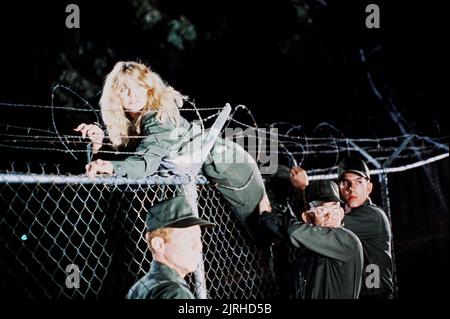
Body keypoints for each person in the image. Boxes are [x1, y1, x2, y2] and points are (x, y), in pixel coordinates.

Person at [75, 61, 266, 233]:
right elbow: (126, 155)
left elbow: (144, 162)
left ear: (148, 88)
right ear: (115, 96)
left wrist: (110, 166)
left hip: (228, 165)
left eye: (138, 86)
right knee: (262, 233)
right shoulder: (135, 124)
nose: (133, 95)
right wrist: (98, 143)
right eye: (125, 89)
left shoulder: (157, 118)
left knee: (262, 231)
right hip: (222, 165)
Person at [259, 180, 363, 299]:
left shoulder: (347, 241)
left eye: (334, 209)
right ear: (307, 217)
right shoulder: (310, 249)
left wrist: (265, 215)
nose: (329, 216)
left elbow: (293, 232)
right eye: (321, 210)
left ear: (341, 213)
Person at [126, 195, 214, 299]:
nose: (198, 246)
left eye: (198, 237)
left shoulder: (140, 287)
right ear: (159, 245)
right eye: (187, 238)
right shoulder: (175, 293)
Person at [337, 157, 394, 299]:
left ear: (369, 187)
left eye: (359, 182)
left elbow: (327, 224)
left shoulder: (373, 215)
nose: (352, 188)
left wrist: (304, 189)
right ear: (339, 188)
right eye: (346, 182)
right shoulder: (343, 214)